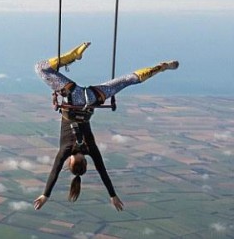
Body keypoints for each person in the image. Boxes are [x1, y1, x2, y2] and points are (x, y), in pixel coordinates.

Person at [32, 42, 179, 211]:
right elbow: (55, 171)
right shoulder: (65, 150)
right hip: (72, 95)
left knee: (128, 80)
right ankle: (72, 57)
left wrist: (113, 195)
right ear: (71, 162)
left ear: (86, 162)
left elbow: (103, 172)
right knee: (40, 68)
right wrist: (45, 194)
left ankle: (161, 67)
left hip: (93, 98)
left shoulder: (91, 149)